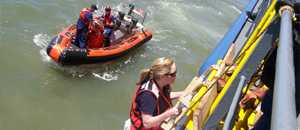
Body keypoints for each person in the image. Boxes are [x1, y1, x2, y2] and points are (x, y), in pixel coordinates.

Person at [129, 57, 183, 130]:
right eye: (173, 74)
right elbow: (147, 123)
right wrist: (168, 113)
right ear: (162, 76)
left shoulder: (161, 83)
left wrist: (182, 94)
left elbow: (162, 97)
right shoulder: (147, 95)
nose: (176, 76)